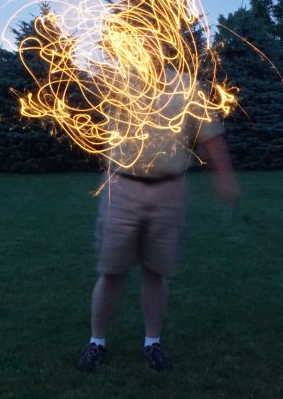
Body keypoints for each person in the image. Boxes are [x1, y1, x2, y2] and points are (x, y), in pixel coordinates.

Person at [77, 69, 240, 372]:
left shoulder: (187, 87)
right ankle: (96, 342)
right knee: (112, 271)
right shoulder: (118, 80)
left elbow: (210, 134)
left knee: (155, 272)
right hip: (122, 188)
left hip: (169, 190)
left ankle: (152, 342)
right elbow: (85, 94)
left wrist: (225, 176)